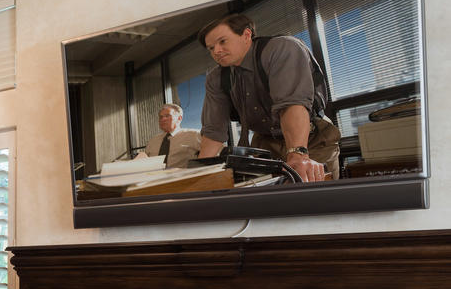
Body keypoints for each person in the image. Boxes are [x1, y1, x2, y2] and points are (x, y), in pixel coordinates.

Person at [196, 13, 340, 182]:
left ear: (246, 35)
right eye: (211, 48)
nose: (217, 51)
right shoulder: (216, 78)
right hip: (264, 143)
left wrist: (298, 155)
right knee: (266, 199)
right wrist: (198, 176)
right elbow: (214, 131)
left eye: (222, 41)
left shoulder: (281, 49)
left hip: (310, 137)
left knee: (311, 194)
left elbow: (292, 105)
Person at [135, 103, 201, 168]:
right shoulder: (153, 141)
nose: (163, 119)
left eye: (167, 116)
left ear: (179, 118)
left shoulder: (195, 135)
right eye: (160, 117)